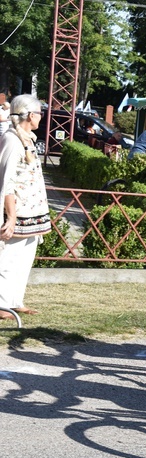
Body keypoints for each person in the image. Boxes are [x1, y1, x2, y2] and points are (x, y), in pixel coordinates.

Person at [0, 94, 51, 319]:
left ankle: (15, 301)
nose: (41, 117)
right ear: (31, 115)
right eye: (40, 113)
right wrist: (10, 217)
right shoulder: (11, 140)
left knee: (23, 261)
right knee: (8, 260)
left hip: (32, 214)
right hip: (17, 214)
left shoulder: (27, 139)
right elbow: (6, 181)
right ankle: (2, 306)